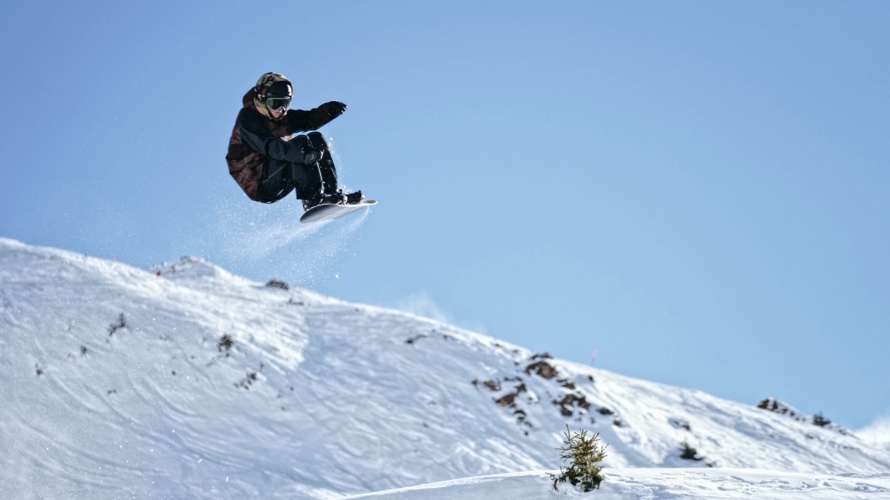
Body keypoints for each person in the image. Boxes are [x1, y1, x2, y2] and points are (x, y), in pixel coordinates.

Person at [226, 72, 362, 211]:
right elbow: (269, 146)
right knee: (300, 145)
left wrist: (328, 111)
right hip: (260, 182)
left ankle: (330, 195)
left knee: (316, 138)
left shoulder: (281, 117)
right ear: (262, 99)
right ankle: (312, 200)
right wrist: (303, 155)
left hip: (277, 168)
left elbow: (309, 119)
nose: (280, 109)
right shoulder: (248, 119)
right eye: (275, 103)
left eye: (284, 103)